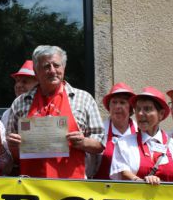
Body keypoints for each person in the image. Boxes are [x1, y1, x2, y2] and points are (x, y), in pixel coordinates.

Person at [6, 45, 104, 179]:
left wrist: (83, 142)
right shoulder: (20, 103)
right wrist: (13, 146)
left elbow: (100, 143)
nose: (52, 71)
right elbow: (13, 156)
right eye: (46, 66)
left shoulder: (84, 99)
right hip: (32, 185)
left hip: (72, 184)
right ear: (36, 71)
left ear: (63, 67)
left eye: (56, 65)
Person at [109, 87, 173, 185]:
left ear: (161, 114)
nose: (140, 113)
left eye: (147, 109)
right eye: (138, 109)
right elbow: (123, 173)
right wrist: (143, 183)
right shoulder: (123, 144)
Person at [92, 82, 137, 179]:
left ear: (130, 108)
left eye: (122, 102)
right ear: (109, 107)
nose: (117, 106)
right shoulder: (99, 132)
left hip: (134, 187)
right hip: (101, 187)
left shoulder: (140, 132)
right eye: (114, 102)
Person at [1, 60, 37, 128]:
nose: (18, 85)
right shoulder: (7, 114)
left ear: (38, 83)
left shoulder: (47, 107)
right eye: (17, 81)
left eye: (25, 82)